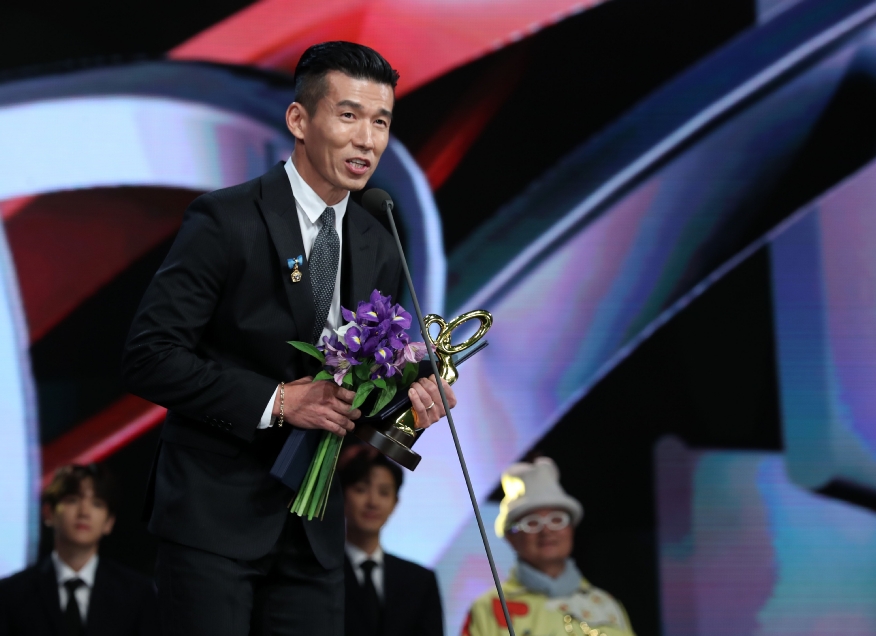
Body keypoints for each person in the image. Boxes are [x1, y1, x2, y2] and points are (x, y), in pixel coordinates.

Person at [121, 41, 456, 635]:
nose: (368, 140)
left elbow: (352, 395)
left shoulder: (380, 240)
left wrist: (408, 404)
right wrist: (279, 401)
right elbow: (149, 357)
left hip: (314, 532)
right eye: (349, 115)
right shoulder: (227, 220)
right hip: (213, 523)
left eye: (381, 121)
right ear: (300, 120)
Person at [462, 458, 635, 636]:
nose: (546, 531)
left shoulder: (607, 605)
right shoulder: (486, 609)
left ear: (571, 530)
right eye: (532, 523)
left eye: (557, 520)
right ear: (511, 537)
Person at [0, 464, 159, 636]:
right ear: (49, 513)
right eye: (72, 500)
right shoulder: (12, 593)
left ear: (109, 522)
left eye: (97, 503)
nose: (84, 512)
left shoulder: (138, 593)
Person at [339, 446, 444, 636]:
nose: (373, 502)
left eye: (384, 492)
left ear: (395, 503)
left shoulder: (420, 581)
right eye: (361, 489)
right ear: (342, 496)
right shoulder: (321, 573)